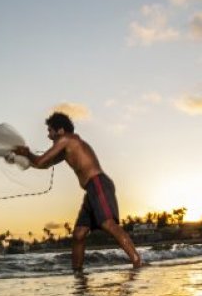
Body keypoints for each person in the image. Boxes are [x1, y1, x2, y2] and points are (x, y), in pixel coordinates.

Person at [13, 112, 144, 270]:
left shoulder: (68, 139)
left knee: (108, 224)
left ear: (60, 130)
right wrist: (21, 157)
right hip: (91, 189)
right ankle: (77, 273)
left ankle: (137, 262)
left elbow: (40, 160)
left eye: (50, 131)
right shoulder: (67, 145)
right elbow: (43, 164)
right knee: (78, 235)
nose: (49, 136)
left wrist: (26, 153)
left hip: (98, 184)